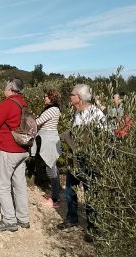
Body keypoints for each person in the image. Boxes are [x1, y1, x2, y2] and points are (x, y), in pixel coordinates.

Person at [57, 84, 106, 242]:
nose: (69, 97)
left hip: (90, 160)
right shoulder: (77, 113)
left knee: (90, 193)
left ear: (79, 97)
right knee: (70, 190)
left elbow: (104, 137)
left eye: (71, 94)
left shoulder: (95, 113)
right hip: (76, 158)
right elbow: (74, 133)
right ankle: (72, 219)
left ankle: (93, 229)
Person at [0, 78, 30, 232]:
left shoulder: (7, 103)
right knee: (20, 185)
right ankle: (23, 219)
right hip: (22, 149)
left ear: (10, 87)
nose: (4, 88)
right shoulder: (23, 103)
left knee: (2, 185)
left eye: (5, 86)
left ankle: (9, 220)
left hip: (7, 149)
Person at [31, 88, 61, 208]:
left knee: (51, 169)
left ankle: (55, 199)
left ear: (51, 98)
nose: (44, 98)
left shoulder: (52, 109)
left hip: (49, 141)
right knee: (52, 168)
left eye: (45, 96)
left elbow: (37, 122)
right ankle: (55, 196)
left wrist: (28, 119)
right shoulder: (52, 109)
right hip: (49, 140)